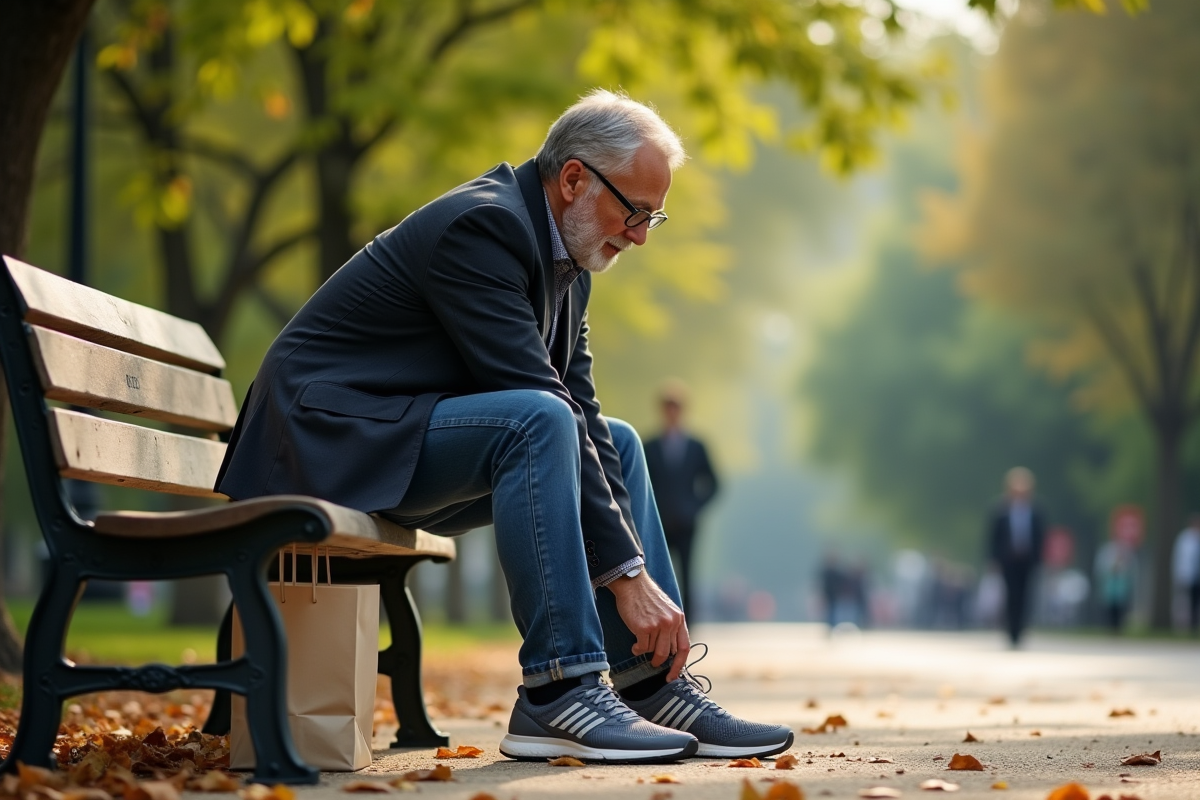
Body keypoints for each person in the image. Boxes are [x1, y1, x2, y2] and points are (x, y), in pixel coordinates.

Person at [216, 90, 792, 764]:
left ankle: (649, 682)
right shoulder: (481, 228)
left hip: (397, 439)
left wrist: (630, 570)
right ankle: (558, 689)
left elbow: (585, 412)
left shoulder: (570, 262)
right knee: (538, 417)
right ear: (574, 177)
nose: (639, 235)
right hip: (326, 440)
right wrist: (629, 578)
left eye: (652, 218)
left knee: (622, 443)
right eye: (634, 211)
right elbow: (537, 395)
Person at [643, 382, 719, 614]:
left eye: (675, 407)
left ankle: (688, 623)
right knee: (656, 573)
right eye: (668, 407)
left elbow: (714, 483)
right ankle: (660, 618)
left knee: (687, 573)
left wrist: (694, 508)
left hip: (686, 523)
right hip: (659, 523)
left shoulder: (696, 446)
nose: (671, 412)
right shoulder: (650, 446)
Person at [986, 467, 1046, 648]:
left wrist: (1040, 559)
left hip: (1028, 560)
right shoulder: (1000, 510)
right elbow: (992, 538)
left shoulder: (1036, 511)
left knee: (1026, 595)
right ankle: (1011, 632)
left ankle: (1021, 630)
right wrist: (993, 560)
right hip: (1008, 560)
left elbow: (1041, 538)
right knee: (1011, 595)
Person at [1172, 515, 1200, 632]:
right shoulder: (1184, 539)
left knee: (1196, 601)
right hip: (1187, 575)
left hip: (1197, 576)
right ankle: (1184, 625)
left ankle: (1195, 624)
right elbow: (1179, 558)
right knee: (1185, 601)